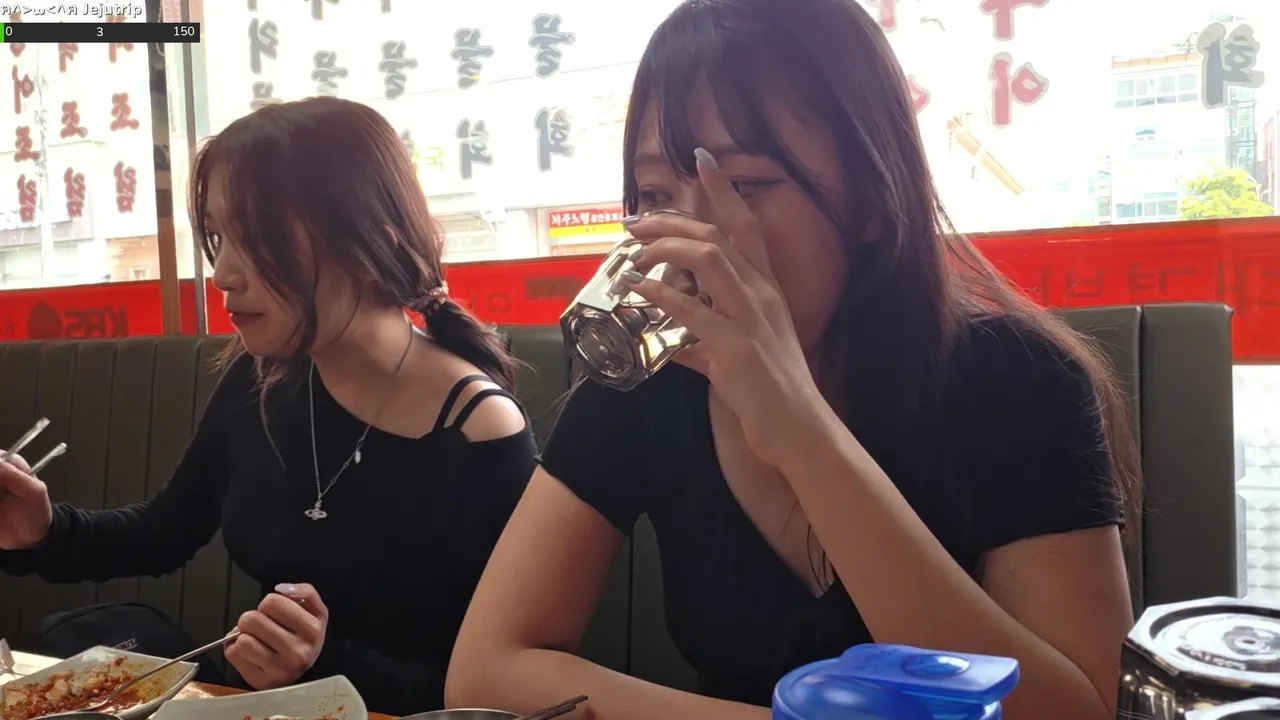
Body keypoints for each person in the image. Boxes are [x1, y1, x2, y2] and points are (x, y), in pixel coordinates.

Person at [445, 1, 1135, 718]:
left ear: (872, 199)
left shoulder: (1020, 384)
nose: (694, 238)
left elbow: (1082, 710)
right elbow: (486, 669)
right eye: (655, 195)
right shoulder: (647, 380)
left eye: (744, 186)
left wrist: (802, 432)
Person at [0, 97, 535, 715]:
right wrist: (42, 530)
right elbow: (164, 531)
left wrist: (323, 663)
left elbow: (495, 684)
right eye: (219, 237)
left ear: (366, 245)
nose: (223, 273)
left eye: (257, 238)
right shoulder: (265, 377)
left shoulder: (477, 430)